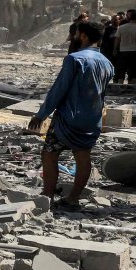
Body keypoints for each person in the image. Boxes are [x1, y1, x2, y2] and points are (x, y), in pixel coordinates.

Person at [29, 19, 113, 210]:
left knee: (50, 153)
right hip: (92, 120)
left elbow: (59, 89)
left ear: (83, 36)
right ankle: (73, 198)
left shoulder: (74, 59)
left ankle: (47, 196)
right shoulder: (107, 63)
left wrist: (42, 114)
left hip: (68, 119)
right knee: (83, 156)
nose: (74, 38)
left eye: (76, 34)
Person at [114, 10, 136, 91]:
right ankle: (132, 86)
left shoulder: (122, 27)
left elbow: (117, 39)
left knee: (122, 68)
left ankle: (120, 86)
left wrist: (115, 49)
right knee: (134, 69)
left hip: (123, 51)